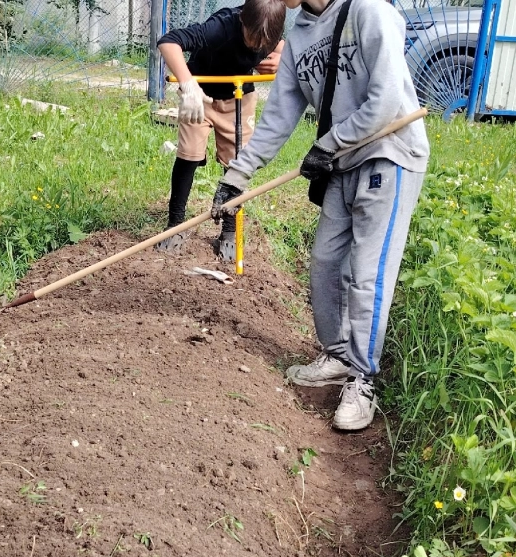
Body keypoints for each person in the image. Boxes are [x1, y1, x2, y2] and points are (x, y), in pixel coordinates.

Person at [209, 0, 429, 431]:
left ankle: (363, 379)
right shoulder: (301, 34)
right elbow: (277, 118)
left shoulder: (370, 11)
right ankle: (337, 355)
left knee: (367, 273)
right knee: (326, 264)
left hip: (389, 154)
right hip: (342, 163)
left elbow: (385, 100)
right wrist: (237, 176)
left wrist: (330, 143)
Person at [153, 0, 287, 256]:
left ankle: (228, 231)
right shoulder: (221, 27)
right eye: (252, 39)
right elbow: (169, 41)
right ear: (242, 21)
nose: (257, 47)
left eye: (265, 43)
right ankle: (175, 224)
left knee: (237, 164)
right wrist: (188, 84)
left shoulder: (270, 33)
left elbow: (287, 51)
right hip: (200, 97)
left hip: (238, 98)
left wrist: (280, 60)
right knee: (188, 155)